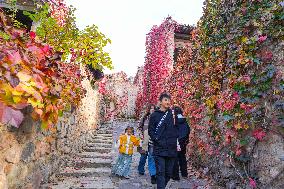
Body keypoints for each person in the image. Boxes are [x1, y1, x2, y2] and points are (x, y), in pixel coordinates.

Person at [148, 93, 179, 189]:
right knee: (160, 172)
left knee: (169, 173)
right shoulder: (154, 115)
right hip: (159, 148)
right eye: (165, 100)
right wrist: (156, 139)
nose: (168, 102)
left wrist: (176, 139)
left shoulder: (173, 114)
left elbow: (179, 127)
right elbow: (151, 130)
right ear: (160, 102)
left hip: (171, 148)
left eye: (169, 100)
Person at [137, 104, 157, 184]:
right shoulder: (144, 118)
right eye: (151, 108)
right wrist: (141, 135)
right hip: (144, 140)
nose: (152, 109)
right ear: (148, 110)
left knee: (151, 157)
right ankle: (141, 169)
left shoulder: (157, 118)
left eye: (153, 108)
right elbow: (139, 128)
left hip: (152, 141)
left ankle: (153, 175)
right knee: (143, 156)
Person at [172, 106, 190, 180]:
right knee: (182, 157)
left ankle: (175, 176)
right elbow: (188, 131)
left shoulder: (175, 121)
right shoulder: (184, 121)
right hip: (183, 142)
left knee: (175, 159)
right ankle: (184, 174)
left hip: (176, 141)